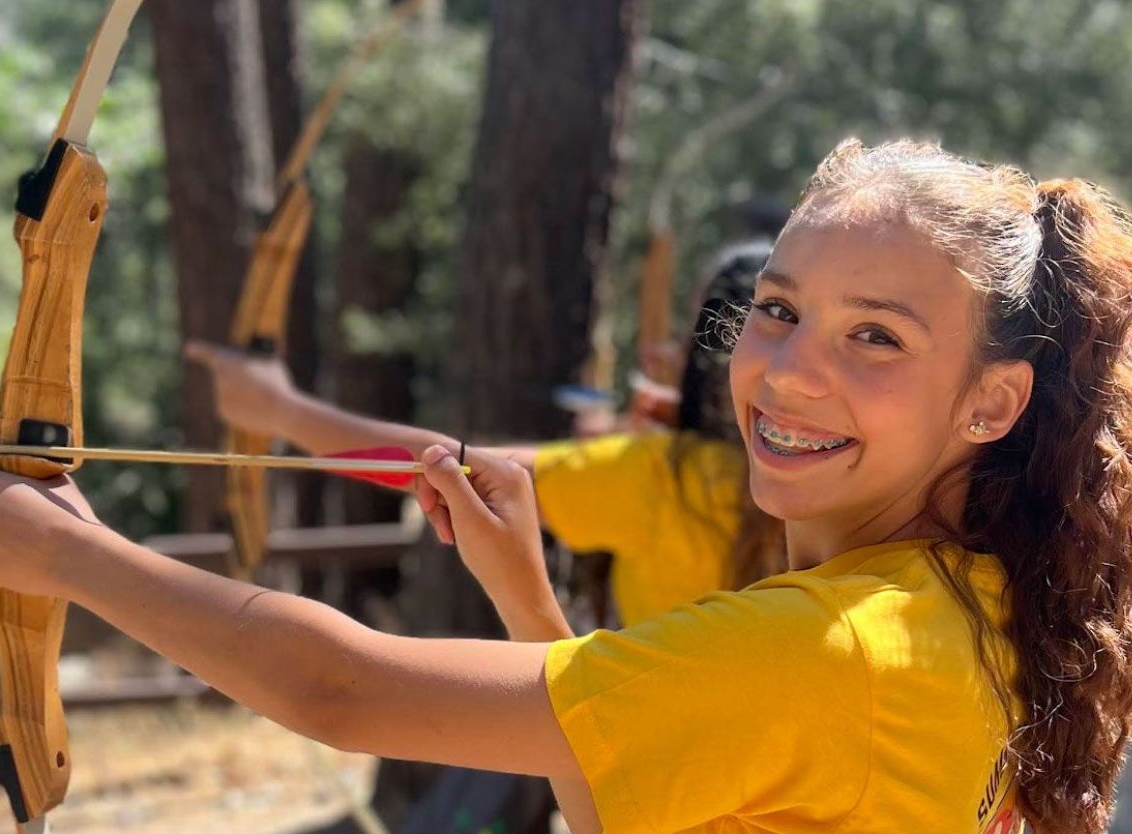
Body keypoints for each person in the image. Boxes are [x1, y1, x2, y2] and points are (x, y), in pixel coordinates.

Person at [0, 139, 1132, 834]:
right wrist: (528, 601)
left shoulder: (835, 649)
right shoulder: (977, 602)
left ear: (992, 401)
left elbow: (338, 689)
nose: (787, 372)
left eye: (875, 337)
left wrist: (66, 549)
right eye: (776, 311)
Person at [183, 238, 786, 629]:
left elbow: (445, 470)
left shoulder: (660, 477)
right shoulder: (814, 481)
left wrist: (279, 409)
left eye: (692, 335)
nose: (665, 350)